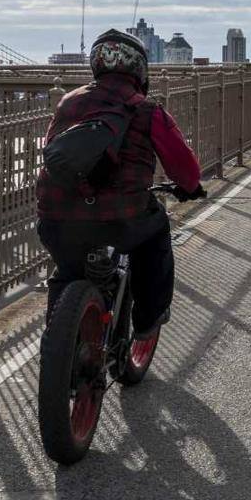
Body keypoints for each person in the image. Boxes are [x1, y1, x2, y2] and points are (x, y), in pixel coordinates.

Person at [35, 29, 206, 339]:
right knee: (155, 231)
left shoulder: (68, 103)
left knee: (68, 270)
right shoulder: (147, 109)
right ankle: (147, 320)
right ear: (140, 70)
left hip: (55, 217)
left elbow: (53, 153)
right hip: (121, 217)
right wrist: (191, 187)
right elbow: (186, 171)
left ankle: (56, 344)